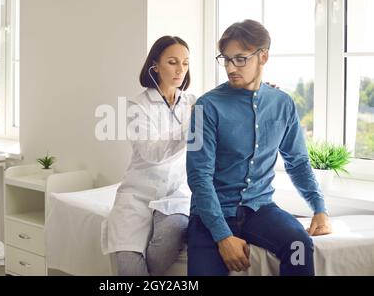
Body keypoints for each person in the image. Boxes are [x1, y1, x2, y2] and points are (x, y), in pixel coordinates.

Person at [186, 19, 332, 276]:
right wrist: (222, 237)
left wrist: (319, 208)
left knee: (299, 245)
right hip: (211, 215)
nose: (231, 67)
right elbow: (199, 177)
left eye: (240, 59)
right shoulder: (205, 107)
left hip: (260, 209)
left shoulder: (283, 104)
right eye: (226, 59)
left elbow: (297, 163)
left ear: (263, 56)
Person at [101, 36, 196, 276]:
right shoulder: (137, 106)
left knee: (173, 230)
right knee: (129, 266)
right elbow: (151, 153)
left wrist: (257, 92)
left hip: (176, 194)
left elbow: (226, 110)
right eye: (173, 62)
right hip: (137, 195)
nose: (180, 70)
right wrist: (191, 125)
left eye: (185, 63)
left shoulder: (192, 103)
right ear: (155, 65)